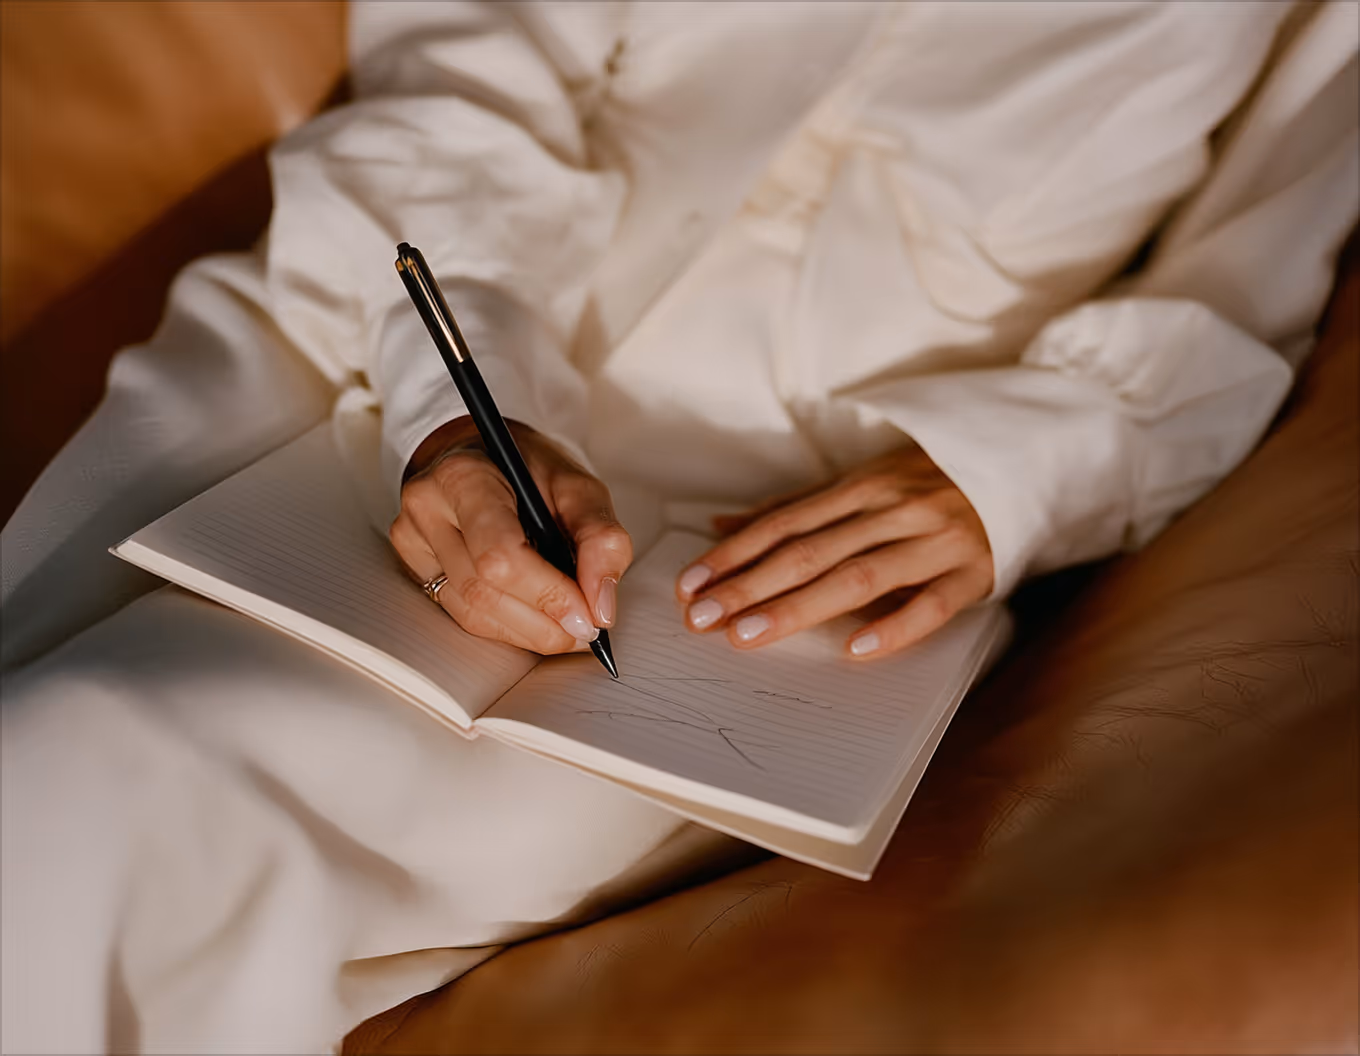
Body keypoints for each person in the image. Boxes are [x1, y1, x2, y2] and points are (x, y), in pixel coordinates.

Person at [3, 1, 1356, 1051]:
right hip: (381, 341)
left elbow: (1247, 285)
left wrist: (1009, 474)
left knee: (92, 771)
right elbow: (463, 89)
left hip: (792, 546)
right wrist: (460, 409)